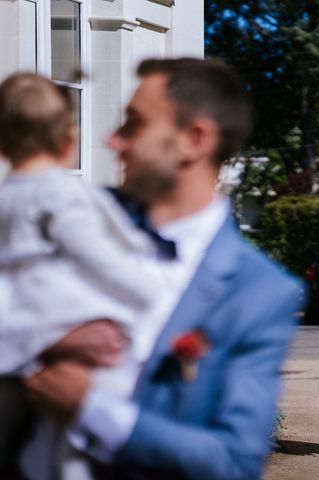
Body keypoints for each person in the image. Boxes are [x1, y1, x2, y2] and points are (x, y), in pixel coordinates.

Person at [24, 58, 303, 480]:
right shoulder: (61, 219)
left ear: (194, 140)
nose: (112, 141)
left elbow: (234, 459)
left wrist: (92, 409)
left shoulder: (260, 291)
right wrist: (38, 341)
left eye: (133, 124)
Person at [0, 73, 182, 478]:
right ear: (69, 140)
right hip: (61, 309)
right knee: (96, 404)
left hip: (18, 316)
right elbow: (101, 259)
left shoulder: (5, 197)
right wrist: (153, 294)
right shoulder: (62, 195)